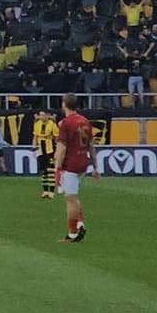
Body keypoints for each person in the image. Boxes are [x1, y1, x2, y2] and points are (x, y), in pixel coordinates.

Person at [56, 97, 99, 243]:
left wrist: (57, 167)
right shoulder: (85, 121)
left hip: (70, 165)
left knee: (70, 199)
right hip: (83, 163)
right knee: (73, 196)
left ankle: (72, 234)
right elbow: (91, 145)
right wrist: (95, 167)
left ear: (64, 104)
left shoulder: (66, 123)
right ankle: (80, 223)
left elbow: (62, 148)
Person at [32, 110, 59, 199]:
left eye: (43, 115)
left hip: (50, 149)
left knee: (51, 170)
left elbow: (57, 137)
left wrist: (57, 149)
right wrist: (34, 147)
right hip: (40, 149)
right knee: (44, 171)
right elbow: (35, 136)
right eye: (40, 115)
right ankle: (45, 191)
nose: (41, 117)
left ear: (47, 116)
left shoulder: (52, 124)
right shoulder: (37, 124)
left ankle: (51, 192)